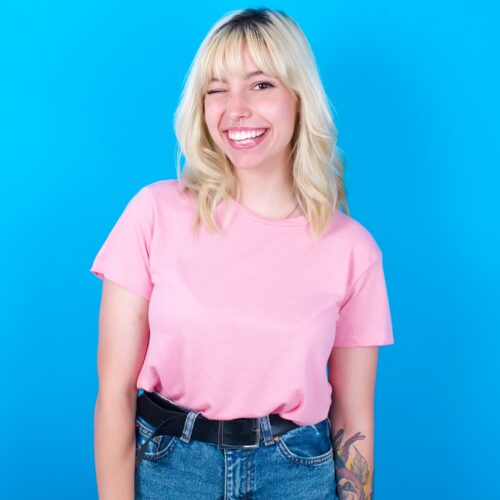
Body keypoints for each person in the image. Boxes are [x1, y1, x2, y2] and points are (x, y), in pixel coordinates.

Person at [90, 7, 394, 500]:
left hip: (296, 474)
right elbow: (114, 394)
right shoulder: (153, 214)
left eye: (260, 85)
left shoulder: (352, 250)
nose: (235, 109)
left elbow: (354, 417)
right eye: (216, 88)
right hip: (170, 468)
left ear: (299, 98)